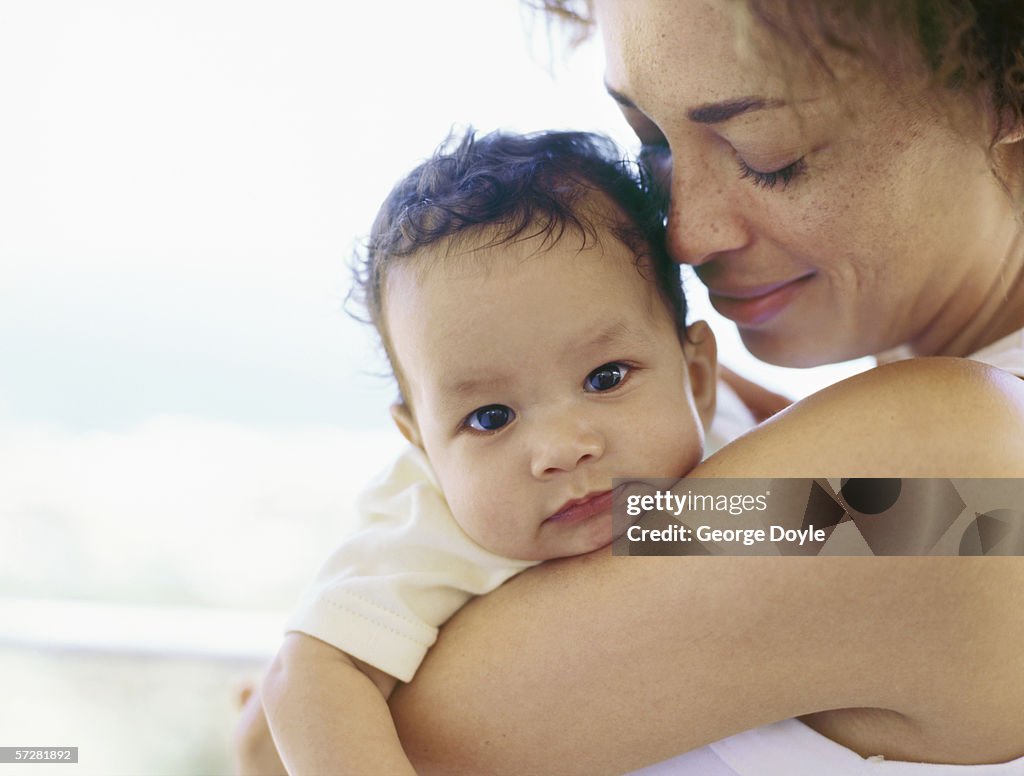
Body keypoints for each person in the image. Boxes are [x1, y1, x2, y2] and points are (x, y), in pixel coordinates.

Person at [237, 1, 1024, 773]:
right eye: (654, 146)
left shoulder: (956, 479)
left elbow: (283, 750)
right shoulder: (788, 446)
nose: (682, 232)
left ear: (1007, 91)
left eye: (766, 151)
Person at [257, 128, 726, 775]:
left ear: (696, 379)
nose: (561, 450)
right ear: (422, 445)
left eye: (606, 377)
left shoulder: (745, 444)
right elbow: (305, 675)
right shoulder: (432, 527)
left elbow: (887, 523)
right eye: (490, 417)